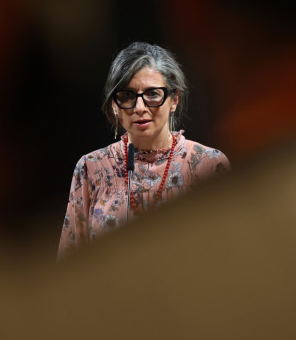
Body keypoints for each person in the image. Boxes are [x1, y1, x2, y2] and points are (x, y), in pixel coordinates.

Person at [57, 42, 229, 258]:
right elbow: (70, 262)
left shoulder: (207, 164)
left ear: (174, 99)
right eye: (127, 96)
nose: (139, 107)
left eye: (153, 94)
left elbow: (228, 250)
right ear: (114, 105)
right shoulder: (91, 168)